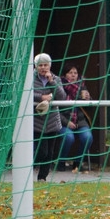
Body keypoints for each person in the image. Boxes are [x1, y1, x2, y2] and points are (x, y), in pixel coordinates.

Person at [32, 52, 67, 182]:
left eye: (45, 65)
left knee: (50, 153)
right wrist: (40, 97)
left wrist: (52, 82)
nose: (43, 68)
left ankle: (42, 177)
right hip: (35, 120)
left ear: (50, 66)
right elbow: (26, 94)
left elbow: (62, 97)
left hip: (52, 121)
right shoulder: (30, 78)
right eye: (40, 65)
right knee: (42, 152)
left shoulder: (56, 79)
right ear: (35, 66)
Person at [58, 63, 93, 172]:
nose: (73, 75)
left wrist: (88, 99)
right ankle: (61, 162)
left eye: (75, 73)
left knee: (87, 137)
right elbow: (55, 110)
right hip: (63, 122)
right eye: (70, 73)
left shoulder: (82, 87)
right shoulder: (58, 86)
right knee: (69, 137)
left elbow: (89, 107)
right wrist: (66, 122)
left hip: (80, 122)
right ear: (65, 75)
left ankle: (78, 163)